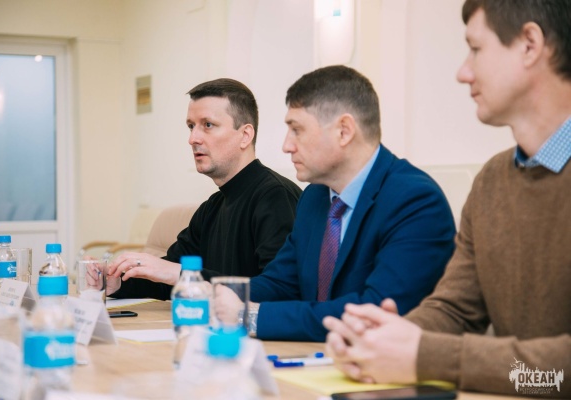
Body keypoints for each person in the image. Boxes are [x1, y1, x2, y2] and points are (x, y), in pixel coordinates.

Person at [323, 0, 571, 397]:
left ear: (529, 44)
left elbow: (561, 377)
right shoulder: (492, 182)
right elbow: (455, 309)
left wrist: (427, 356)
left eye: (475, 49)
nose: (462, 72)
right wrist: (382, 339)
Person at [214, 65, 456, 342]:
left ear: (344, 131)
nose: (286, 145)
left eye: (297, 130)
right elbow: (282, 281)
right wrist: (221, 296)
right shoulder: (314, 196)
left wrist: (250, 317)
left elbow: (374, 313)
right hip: (317, 357)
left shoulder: (415, 201)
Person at [107, 78, 302, 300]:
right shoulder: (212, 206)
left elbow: (279, 291)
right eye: (191, 126)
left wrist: (179, 273)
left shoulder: (275, 196)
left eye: (208, 125)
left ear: (245, 136)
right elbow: (168, 279)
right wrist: (116, 283)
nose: (193, 139)